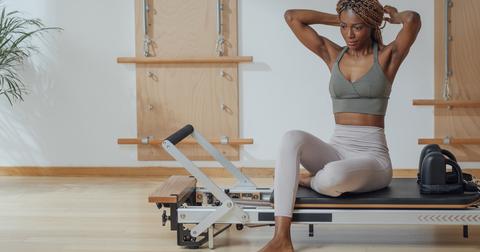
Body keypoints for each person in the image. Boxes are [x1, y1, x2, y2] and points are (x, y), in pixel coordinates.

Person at [259, 1, 421, 251]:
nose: (349, 34)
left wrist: (395, 16)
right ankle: (281, 238)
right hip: (337, 149)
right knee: (291, 138)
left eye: (357, 27)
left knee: (334, 174)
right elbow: (292, 17)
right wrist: (340, 18)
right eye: (344, 28)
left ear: (370, 26)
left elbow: (413, 20)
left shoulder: (388, 57)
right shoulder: (333, 54)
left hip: (372, 158)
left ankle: (311, 180)